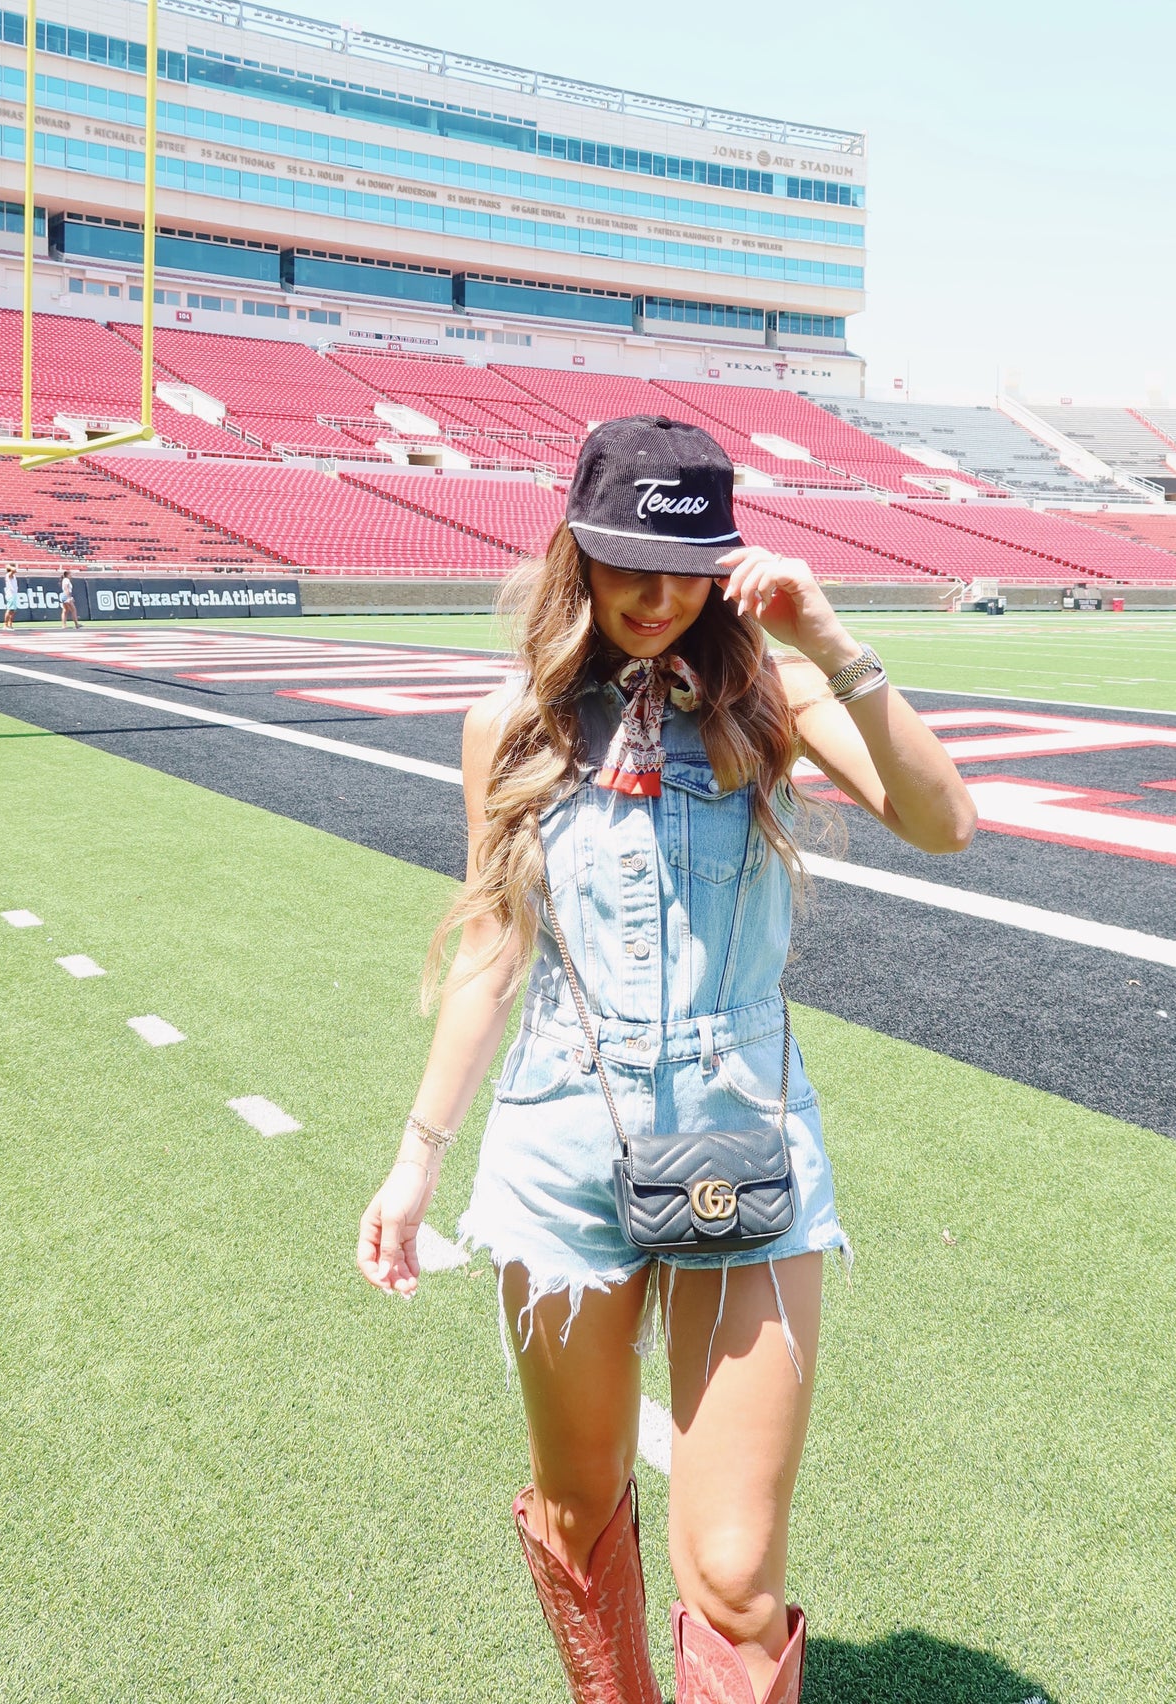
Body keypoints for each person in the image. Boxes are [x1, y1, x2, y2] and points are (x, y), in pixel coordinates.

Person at [357, 416, 976, 1704]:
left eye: (685, 564)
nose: (654, 594)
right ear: (575, 552)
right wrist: (415, 1159)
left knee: (738, 1570)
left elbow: (943, 821)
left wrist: (827, 640)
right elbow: (490, 948)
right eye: (627, 560)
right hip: (556, 1146)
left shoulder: (772, 700)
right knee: (581, 1503)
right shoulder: (507, 727)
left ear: (723, 566)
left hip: (745, 1131)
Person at [2, 563, 19, 630]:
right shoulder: (9, 575)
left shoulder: (13, 576)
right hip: (10, 594)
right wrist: (9, 566)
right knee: (10, 609)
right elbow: (14, 570)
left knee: (13, 610)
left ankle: (10, 624)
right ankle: (5, 625)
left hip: (14, 594)